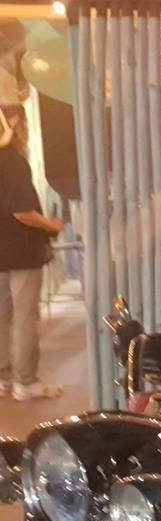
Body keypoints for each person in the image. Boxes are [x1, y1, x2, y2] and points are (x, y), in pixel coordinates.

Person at [0, 106, 64, 401]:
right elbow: (22, 211)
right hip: (21, 252)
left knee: (1, 316)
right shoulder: (13, 161)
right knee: (25, 316)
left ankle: (3, 378)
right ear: (15, 126)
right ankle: (26, 381)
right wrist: (51, 224)